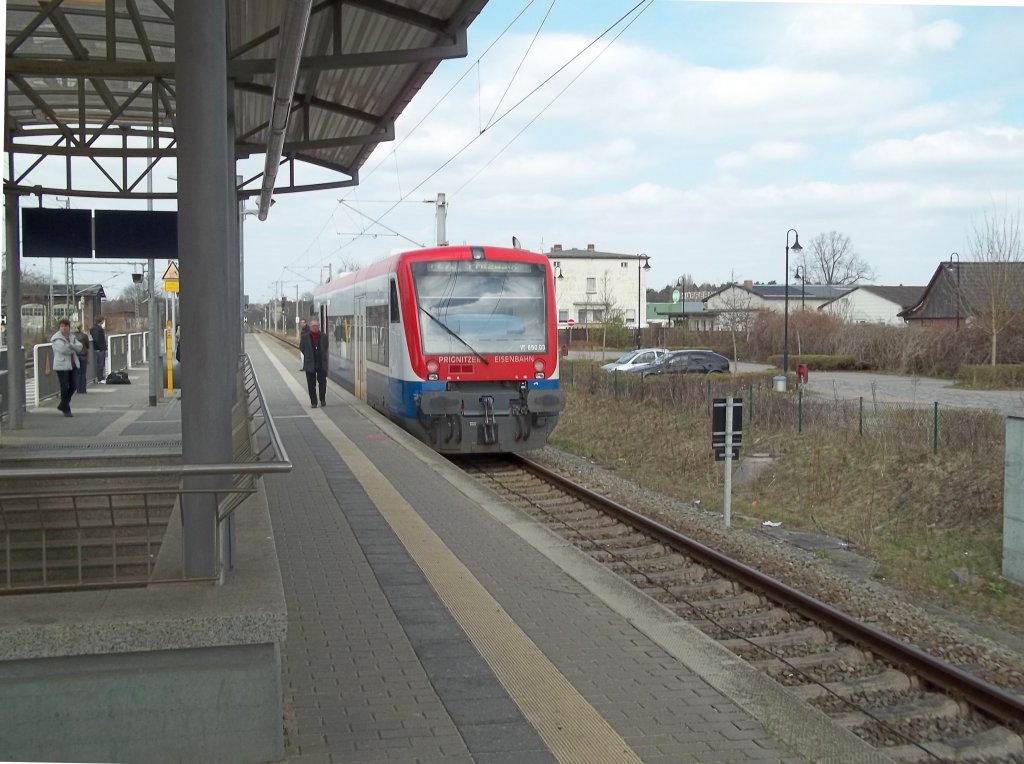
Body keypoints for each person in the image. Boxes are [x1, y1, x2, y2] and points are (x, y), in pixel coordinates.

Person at [51, 318, 83, 417]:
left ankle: (63, 404)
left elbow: (80, 347)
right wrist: (74, 349)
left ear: (69, 327)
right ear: (59, 328)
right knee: (64, 387)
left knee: (74, 385)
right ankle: (66, 409)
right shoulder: (56, 338)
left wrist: (71, 345)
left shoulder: (72, 337)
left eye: (66, 326)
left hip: (73, 365)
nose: (64, 328)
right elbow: (63, 349)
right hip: (61, 366)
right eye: (62, 326)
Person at [300, 318, 329, 408]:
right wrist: (308, 355)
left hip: (321, 363)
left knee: (322, 383)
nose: (315, 327)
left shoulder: (324, 336)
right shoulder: (305, 337)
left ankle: (322, 399)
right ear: (310, 327)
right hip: (310, 363)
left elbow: (326, 347)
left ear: (319, 327)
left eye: (317, 326)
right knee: (311, 384)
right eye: (313, 326)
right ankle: (314, 402)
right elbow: (302, 348)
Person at [73, 323, 90, 394]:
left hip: (75, 356)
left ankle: (78, 389)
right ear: (81, 327)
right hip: (83, 356)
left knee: (77, 373)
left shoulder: (72, 336)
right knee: (83, 373)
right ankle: (83, 389)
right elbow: (88, 346)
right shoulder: (84, 336)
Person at [91, 315, 107, 383]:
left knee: (99, 363)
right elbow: (97, 339)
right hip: (100, 349)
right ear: (101, 321)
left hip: (97, 348)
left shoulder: (93, 328)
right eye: (103, 321)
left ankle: (100, 377)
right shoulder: (98, 329)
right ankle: (100, 378)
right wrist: (101, 347)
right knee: (101, 363)